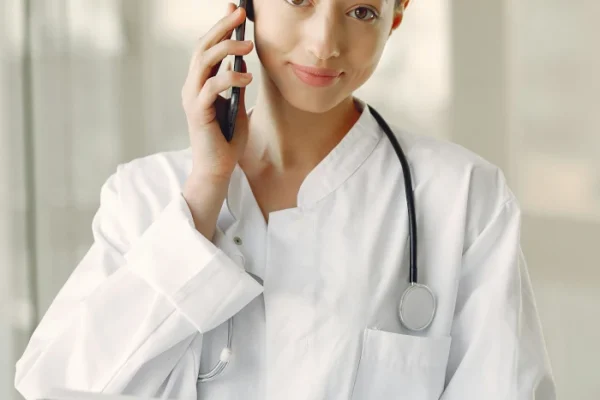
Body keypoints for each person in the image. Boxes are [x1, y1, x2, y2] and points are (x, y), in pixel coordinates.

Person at [15, 1, 556, 399]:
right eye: (300, 1)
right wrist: (205, 193)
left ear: (397, 14)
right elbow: (55, 388)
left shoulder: (464, 198)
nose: (325, 43)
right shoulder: (147, 196)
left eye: (362, 11)